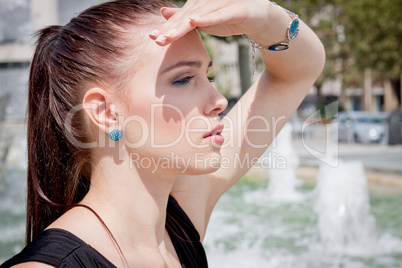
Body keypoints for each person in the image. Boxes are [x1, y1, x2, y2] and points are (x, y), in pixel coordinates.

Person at [1, 0, 325, 267]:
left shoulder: (178, 226)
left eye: (207, 75)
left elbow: (298, 70)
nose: (219, 101)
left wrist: (266, 16)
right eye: (183, 79)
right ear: (104, 112)